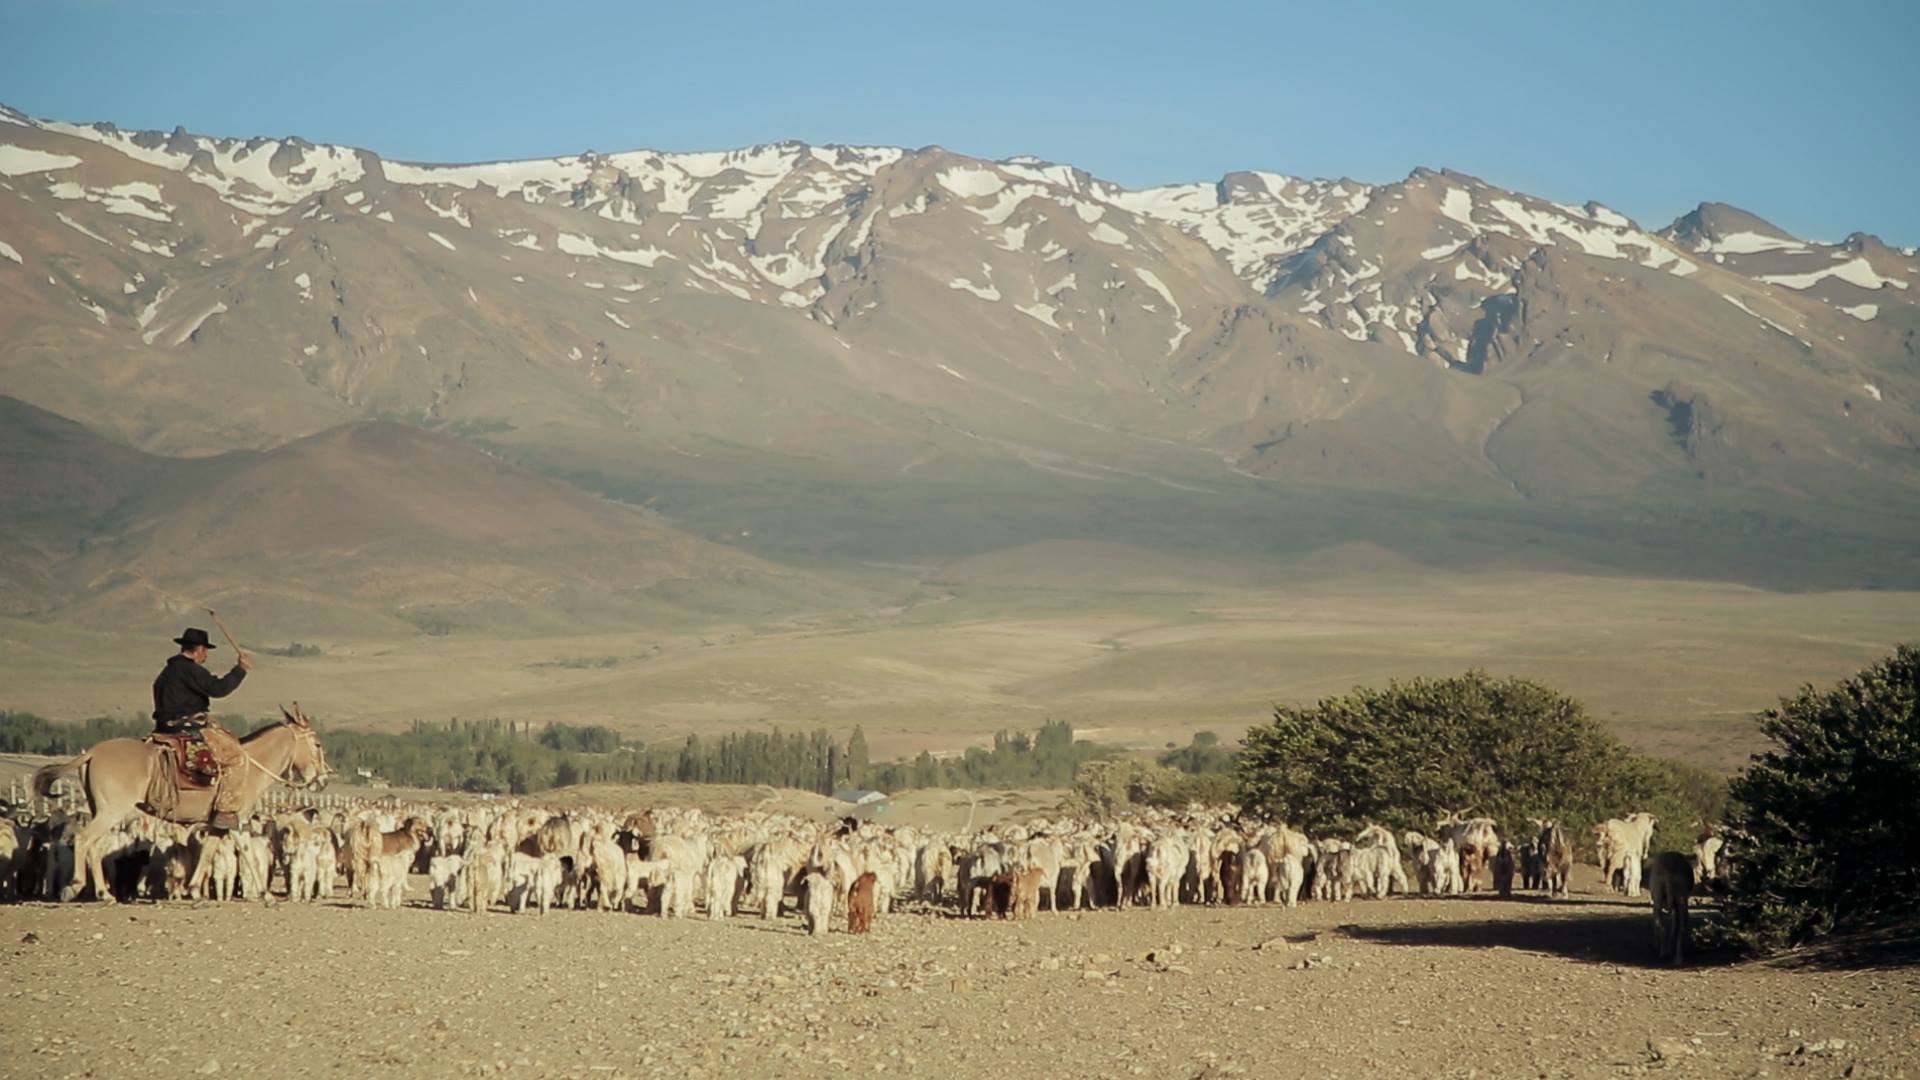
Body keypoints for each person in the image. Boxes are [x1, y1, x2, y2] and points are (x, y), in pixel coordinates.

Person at [151, 627, 252, 829]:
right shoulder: (189, 669)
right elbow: (218, 688)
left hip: (163, 727)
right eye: (205, 651)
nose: (206, 656)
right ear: (198, 650)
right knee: (236, 758)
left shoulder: (167, 672)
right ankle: (224, 811)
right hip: (186, 728)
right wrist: (240, 670)